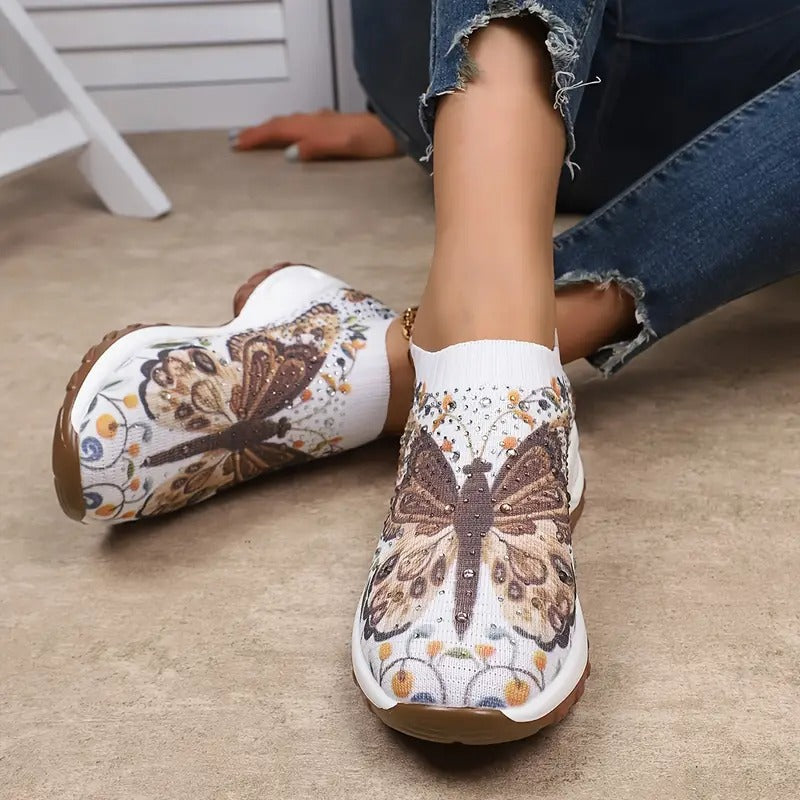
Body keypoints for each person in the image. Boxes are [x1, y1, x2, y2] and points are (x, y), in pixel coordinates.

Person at [52, 0, 799, 745]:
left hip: (737, 98)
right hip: (462, 54)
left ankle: (417, 354)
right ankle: (490, 342)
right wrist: (420, 100)